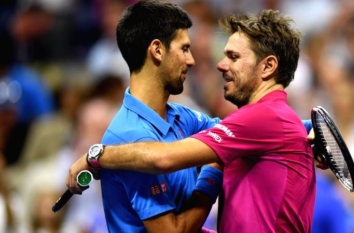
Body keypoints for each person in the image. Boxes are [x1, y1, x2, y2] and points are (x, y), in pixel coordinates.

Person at [67, 6, 317, 233]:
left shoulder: (193, 117)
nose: (212, 63)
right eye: (185, 48)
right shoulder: (129, 134)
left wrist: (97, 155)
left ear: (267, 66)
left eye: (234, 57)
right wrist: (214, 169)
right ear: (156, 50)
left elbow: (163, 158)